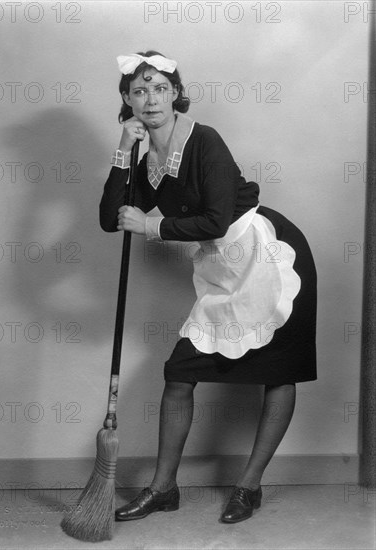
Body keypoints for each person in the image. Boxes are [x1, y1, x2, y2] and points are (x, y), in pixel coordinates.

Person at [99, 50, 317, 524]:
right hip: (222, 269)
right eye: (139, 90)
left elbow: (217, 220)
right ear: (127, 100)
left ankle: (248, 487)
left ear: (176, 93)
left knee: (278, 372)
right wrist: (121, 151)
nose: (151, 99)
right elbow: (109, 220)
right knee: (179, 372)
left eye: (160, 88)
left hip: (269, 256)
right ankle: (163, 488)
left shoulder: (204, 141)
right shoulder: (146, 156)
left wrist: (152, 227)